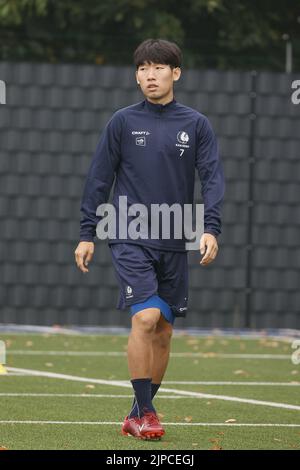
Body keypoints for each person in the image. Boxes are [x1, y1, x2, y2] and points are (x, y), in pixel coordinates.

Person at [75, 38, 225, 440]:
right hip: (129, 233)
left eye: (158, 67)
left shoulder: (196, 124)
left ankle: (137, 413)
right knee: (145, 317)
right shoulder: (122, 122)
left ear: (176, 73)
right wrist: (87, 233)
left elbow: (212, 179)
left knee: (164, 331)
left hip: (174, 238)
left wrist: (211, 227)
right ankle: (147, 413)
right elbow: (98, 179)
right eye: (142, 68)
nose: (149, 75)